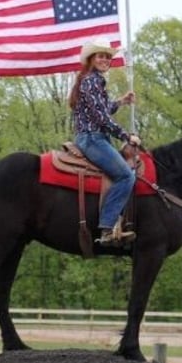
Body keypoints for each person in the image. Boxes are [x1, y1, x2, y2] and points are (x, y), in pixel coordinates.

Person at [68, 37, 142, 246]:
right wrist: (127, 136)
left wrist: (121, 101)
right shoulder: (92, 81)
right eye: (101, 56)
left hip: (93, 137)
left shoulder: (91, 80)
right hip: (93, 139)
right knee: (126, 176)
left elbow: (102, 108)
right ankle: (108, 228)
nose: (105, 60)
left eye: (108, 57)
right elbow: (101, 117)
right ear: (92, 59)